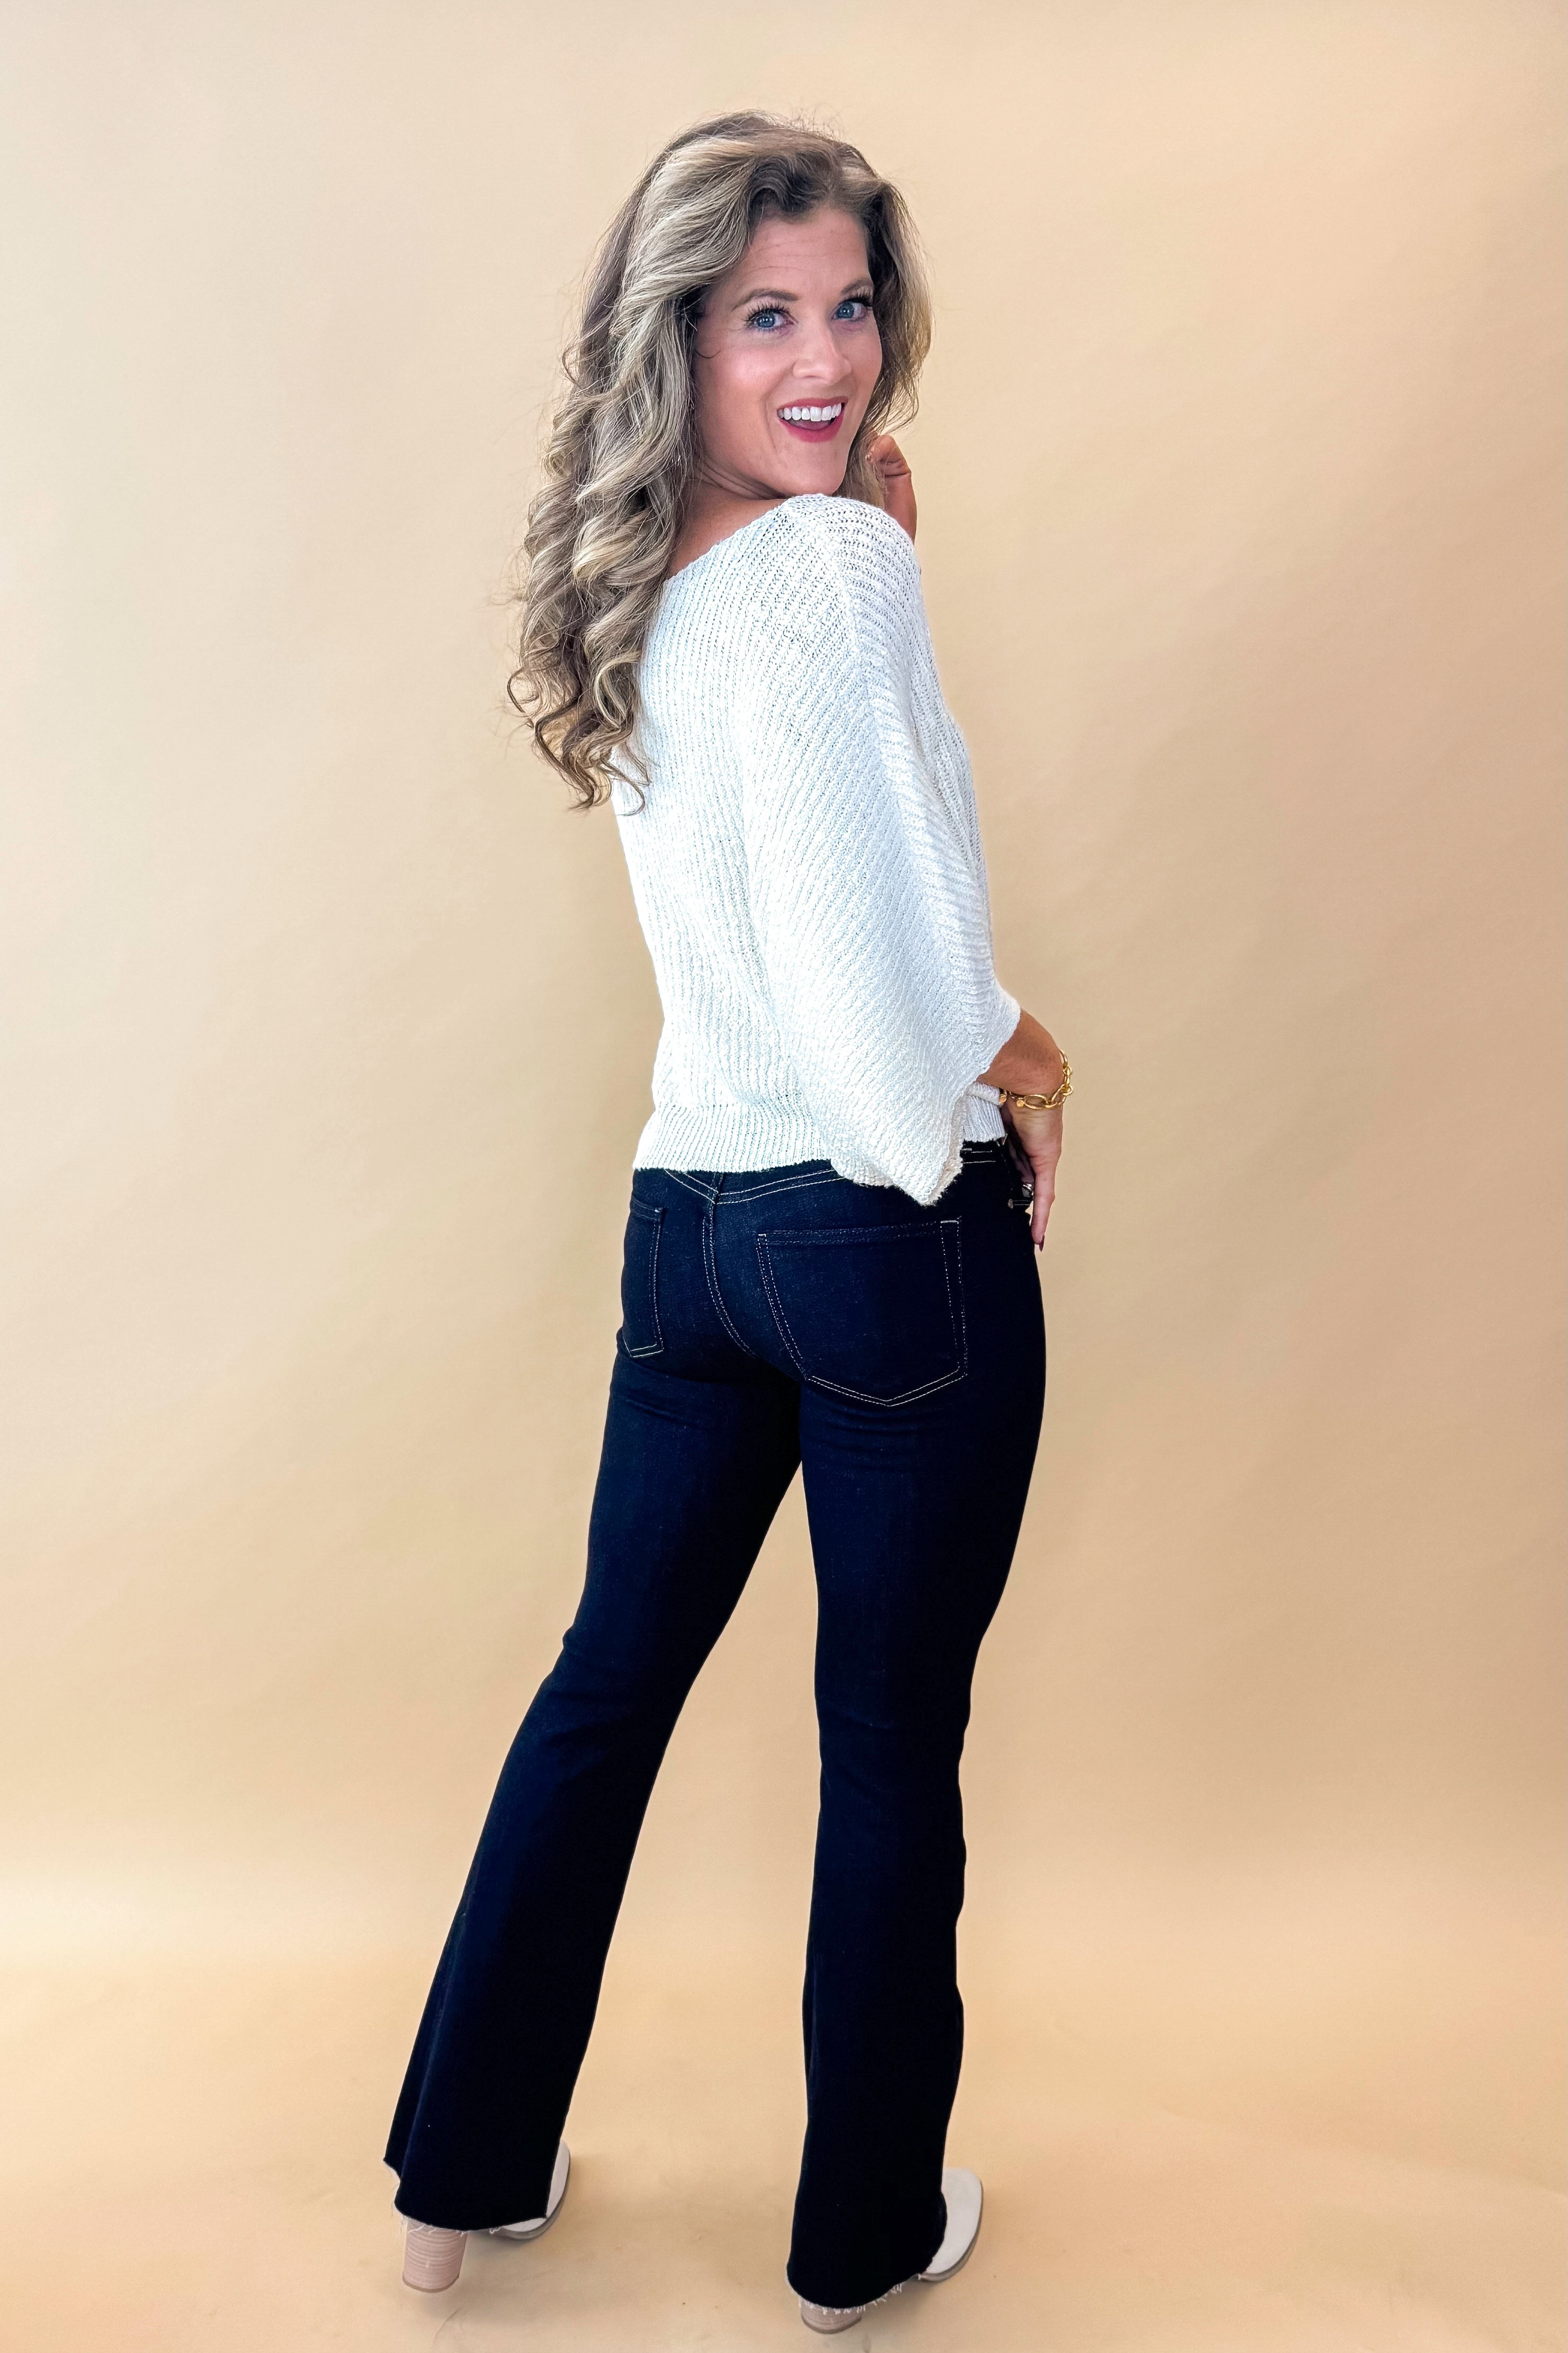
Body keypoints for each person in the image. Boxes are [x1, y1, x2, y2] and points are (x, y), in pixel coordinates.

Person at [384, 112, 1071, 2335]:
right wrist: (1020, 1065)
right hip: (881, 1239)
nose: (827, 362)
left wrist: (885, 558)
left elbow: (783, 908)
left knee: (604, 1694)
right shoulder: (829, 574)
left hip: (691, 1230)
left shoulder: (654, 579)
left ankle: (460, 2173)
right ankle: (861, 2236)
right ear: (675, 332)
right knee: (887, 1746)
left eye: (852, 307)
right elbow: (893, 982)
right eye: (768, 314)